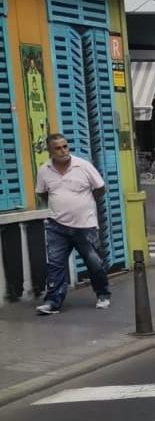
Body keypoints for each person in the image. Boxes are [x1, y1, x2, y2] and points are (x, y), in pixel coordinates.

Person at [34, 134, 111, 315]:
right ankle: (53, 301)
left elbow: (100, 188)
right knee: (55, 264)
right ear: (50, 151)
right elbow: (42, 193)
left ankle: (102, 294)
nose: (63, 151)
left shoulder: (82, 166)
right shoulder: (44, 170)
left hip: (85, 225)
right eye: (58, 148)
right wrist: (60, 205)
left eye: (65, 146)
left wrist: (84, 204)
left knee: (94, 263)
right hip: (57, 226)